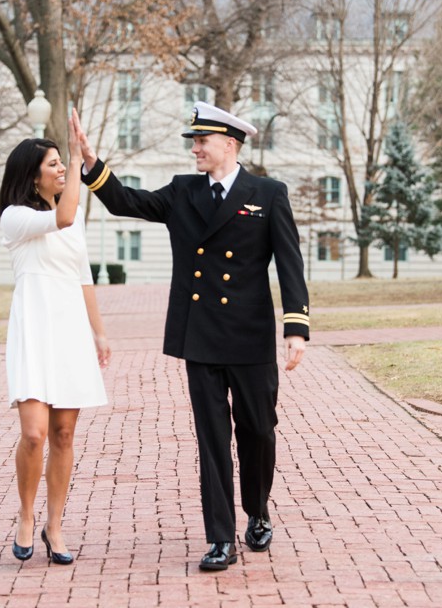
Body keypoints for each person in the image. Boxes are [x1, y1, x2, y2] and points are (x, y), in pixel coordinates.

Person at [71, 102, 309, 571]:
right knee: (212, 438)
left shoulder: (268, 193)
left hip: (251, 335)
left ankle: (258, 510)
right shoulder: (183, 192)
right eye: (194, 141)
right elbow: (127, 202)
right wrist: (92, 164)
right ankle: (221, 538)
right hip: (200, 336)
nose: (195, 148)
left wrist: (296, 328)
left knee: (258, 431)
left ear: (230, 144)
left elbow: (289, 263)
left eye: (202, 141)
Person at [0, 111, 110, 566]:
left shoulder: (72, 218)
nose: (61, 169)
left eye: (63, 164)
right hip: (33, 326)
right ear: (32, 175)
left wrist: (99, 332)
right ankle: (26, 515)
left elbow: (82, 276)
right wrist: (82, 157)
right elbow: (63, 217)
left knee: (63, 434)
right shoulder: (15, 217)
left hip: (70, 330)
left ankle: (54, 525)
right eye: (53, 164)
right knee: (34, 433)